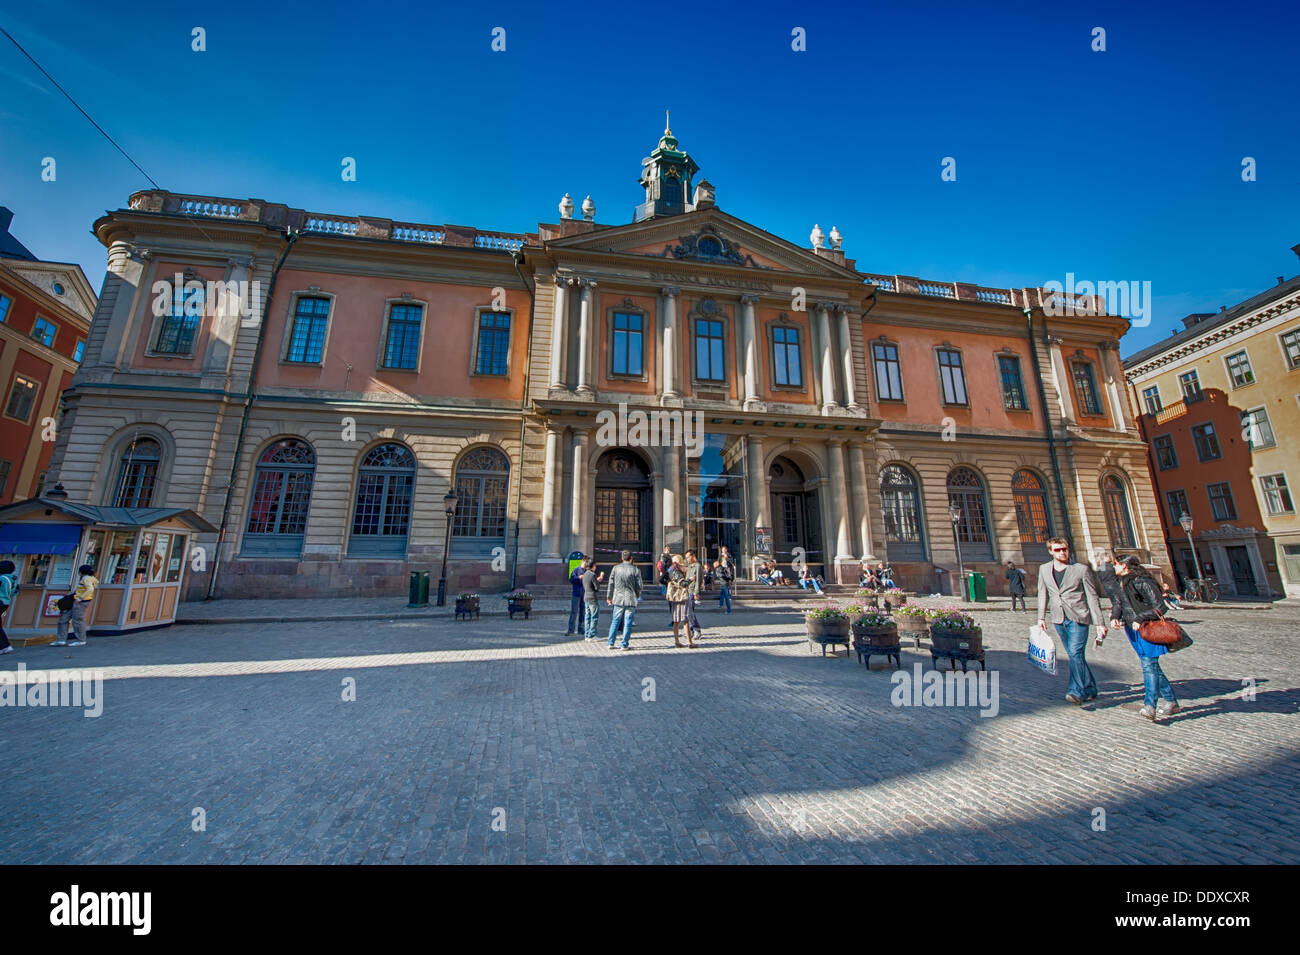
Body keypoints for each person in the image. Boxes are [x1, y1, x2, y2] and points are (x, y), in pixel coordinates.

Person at [1104, 555, 1181, 722]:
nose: (1113, 567)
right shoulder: (1120, 582)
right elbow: (1118, 603)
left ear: (1124, 566)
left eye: (1116, 564)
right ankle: (1171, 700)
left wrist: (1140, 619)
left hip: (1148, 628)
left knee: (1148, 665)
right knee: (1152, 666)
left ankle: (1150, 705)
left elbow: (1160, 607)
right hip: (1131, 629)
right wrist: (1115, 617)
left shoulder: (1143, 582)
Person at [1037, 537, 1106, 705]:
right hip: (1058, 618)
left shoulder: (1081, 569)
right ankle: (1090, 687)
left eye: (1064, 549)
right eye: (1058, 550)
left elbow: (1092, 597)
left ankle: (1076, 691)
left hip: (1078, 617)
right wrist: (1041, 617)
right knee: (1075, 656)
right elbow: (1042, 593)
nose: (1062, 552)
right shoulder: (1044, 569)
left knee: (1075, 653)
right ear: (1050, 552)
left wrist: (1099, 623)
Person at [53, 563, 99, 647]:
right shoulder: (92, 578)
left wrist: (80, 598)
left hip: (80, 602)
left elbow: (90, 589)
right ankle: (61, 639)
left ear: (82, 572)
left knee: (77, 620)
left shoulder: (86, 579)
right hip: (78, 601)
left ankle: (81, 640)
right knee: (64, 619)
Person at [605, 550, 642, 650]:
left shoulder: (615, 568)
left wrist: (609, 597)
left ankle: (610, 642)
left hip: (618, 598)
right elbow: (639, 586)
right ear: (631, 559)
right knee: (628, 622)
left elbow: (611, 584)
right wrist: (637, 595)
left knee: (615, 621)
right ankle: (624, 644)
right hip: (630, 598)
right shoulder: (635, 570)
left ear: (622, 558)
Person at [665, 555, 694, 647]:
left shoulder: (670, 570)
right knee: (685, 619)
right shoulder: (677, 572)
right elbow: (683, 584)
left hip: (674, 598)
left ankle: (677, 641)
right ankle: (689, 642)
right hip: (681, 597)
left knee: (676, 620)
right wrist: (690, 579)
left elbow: (662, 579)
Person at [683, 550, 704, 644]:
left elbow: (698, 580)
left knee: (690, 612)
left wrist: (696, 593)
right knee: (687, 612)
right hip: (688, 591)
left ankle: (697, 629)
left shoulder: (697, 566)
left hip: (692, 592)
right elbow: (687, 579)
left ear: (693, 556)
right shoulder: (689, 567)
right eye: (686, 557)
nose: (687, 559)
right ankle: (691, 629)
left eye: (688, 557)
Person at [580, 558, 603, 640]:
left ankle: (587, 635)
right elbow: (596, 587)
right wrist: (599, 580)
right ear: (592, 566)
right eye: (595, 566)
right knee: (594, 616)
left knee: (587, 617)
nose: (595, 567)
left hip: (586, 597)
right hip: (592, 598)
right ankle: (592, 635)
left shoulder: (585, 574)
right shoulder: (593, 575)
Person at [0, 559, 18, 655]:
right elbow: (15, 591)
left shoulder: (2, 578)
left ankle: (5, 646)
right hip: (5, 602)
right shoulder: (12, 579)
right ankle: (4, 646)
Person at [565, 557, 586, 635]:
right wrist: (578, 578)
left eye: (586, 563)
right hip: (576, 593)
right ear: (582, 562)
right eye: (584, 563)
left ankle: (581, 629)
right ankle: (571, 629)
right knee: (574, 611)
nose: (585, 564)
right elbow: (571, 579)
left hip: (584, 594)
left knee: (582, 612)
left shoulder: (587, 571)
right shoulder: (576, 570)